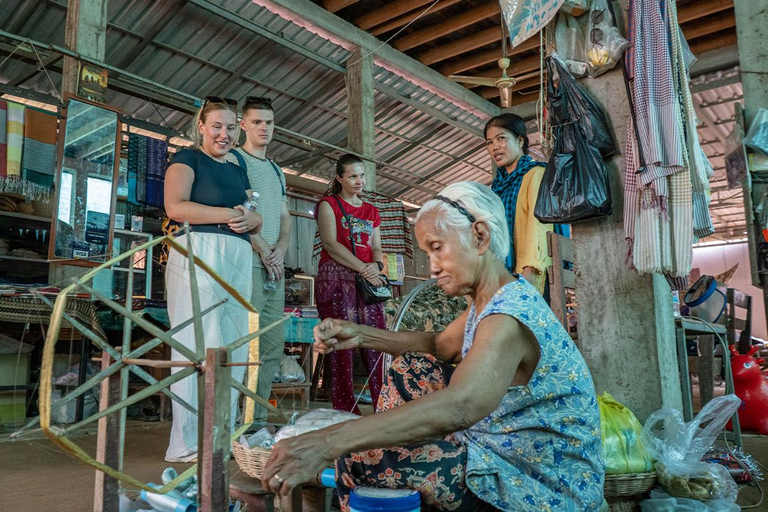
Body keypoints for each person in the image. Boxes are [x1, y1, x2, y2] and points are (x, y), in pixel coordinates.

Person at [262, 182, 604, 511]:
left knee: (358, 459)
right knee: (411, 368)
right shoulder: (490, 298)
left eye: (437, 248)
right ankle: (404, 479)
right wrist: (362, 335)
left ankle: (394, 485)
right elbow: (438, 345)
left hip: (540, 478)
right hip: (497, 443)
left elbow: (461, 407)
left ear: (480, 237)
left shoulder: (508, 318)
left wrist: (327, 442)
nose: (432, 266)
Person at [163, 96, 262, 462]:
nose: (224, 134)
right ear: (201, 126)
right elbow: (175, 206)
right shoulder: (187, 159)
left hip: (237, 254)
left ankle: (222, 435)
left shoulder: (238, 167)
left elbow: (254, 213)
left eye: (231, 127)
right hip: (198, 252)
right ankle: (188, 443)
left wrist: (255, 221)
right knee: (198, 342)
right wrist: (228, 213)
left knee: (234, 345)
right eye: (217, 126)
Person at [230, 96, 291, 426]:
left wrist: (281, 246)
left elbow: (284, 216)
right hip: (247, 266)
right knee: (242, 348)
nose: (264, 127)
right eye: (256, 122)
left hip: (274, 269)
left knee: (270, 349)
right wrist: (263, 248)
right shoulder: (234, 161)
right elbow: (236, 215)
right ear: (243, 124)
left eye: (268, 122)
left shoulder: (276, 170)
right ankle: (228, 422)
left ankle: (253, 424)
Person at [314, 154, 387, 415]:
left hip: (366, 280)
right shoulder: (328, 204)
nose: (359, 181)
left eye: (362, 175)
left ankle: (384, 403)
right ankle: (345, 407)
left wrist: (376, 267)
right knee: (341, 343)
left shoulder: (371, 211)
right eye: (353, 176)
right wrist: (363, 268)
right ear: (339, 178)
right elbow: (331, 244)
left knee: (376, 341)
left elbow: (377, 247)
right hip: (336, 278)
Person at [486, 113, 554, 295]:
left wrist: (530, 270)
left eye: (501, 138)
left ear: (520, 141)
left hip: (530, 273)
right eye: (489, 142)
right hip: (503, 276)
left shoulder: (536, 174)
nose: (495, 147)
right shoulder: (496, 187)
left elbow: (538, 224)